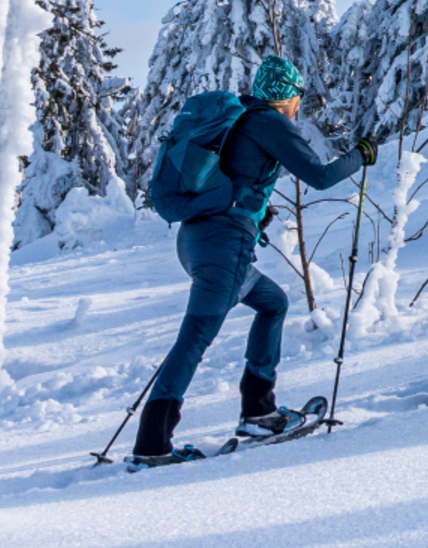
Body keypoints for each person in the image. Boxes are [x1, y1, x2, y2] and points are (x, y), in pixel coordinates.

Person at [132, 55, 374, 466]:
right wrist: (361, 154)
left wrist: (256, 212)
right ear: (289, 96)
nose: (299, 106)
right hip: (222, 245)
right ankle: (151, 444)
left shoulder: (242, 120)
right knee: (195, 337)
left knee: (273, 302)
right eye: (299, 97)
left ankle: (259, 411)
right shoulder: (269, 122)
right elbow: (319, 177)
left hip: (198, 240)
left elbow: (238, 179)